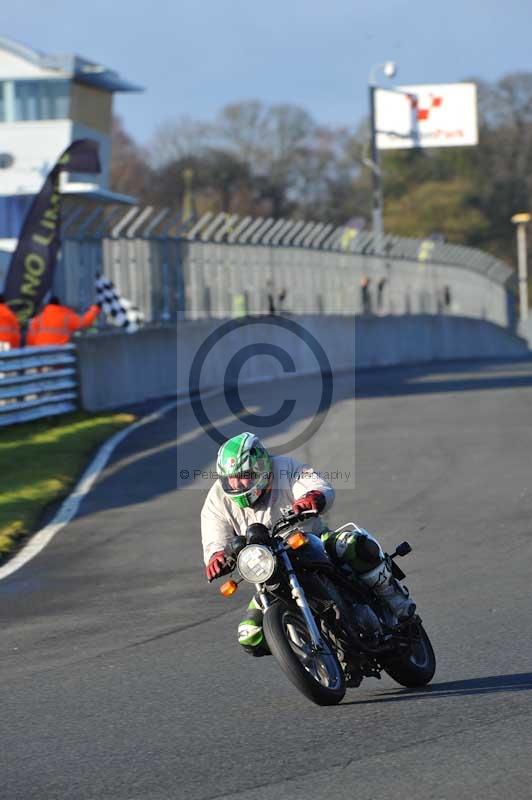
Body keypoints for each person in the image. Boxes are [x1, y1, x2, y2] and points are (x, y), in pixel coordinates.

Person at [202, 432, 416, 657]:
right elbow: (214, 536)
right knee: (250, 635)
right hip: (266, 565)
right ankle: (303, 647)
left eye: (243, 475)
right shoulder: (217, 498)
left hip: (308, 539)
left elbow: (316, 485)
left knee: (356, 544)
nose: (236, 483)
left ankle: (394, 600)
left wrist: (312, 497)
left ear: (260, 467)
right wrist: (217, 556)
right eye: (230, 478)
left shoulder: (284, 468)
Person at [26, 296, 100, 347]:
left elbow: (30, 340)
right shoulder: (66, 316)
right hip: (59, 355)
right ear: (59, 305)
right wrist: (95, 309)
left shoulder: (38, 318)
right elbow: (84, 322)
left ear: (47, 306)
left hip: (40, 356)